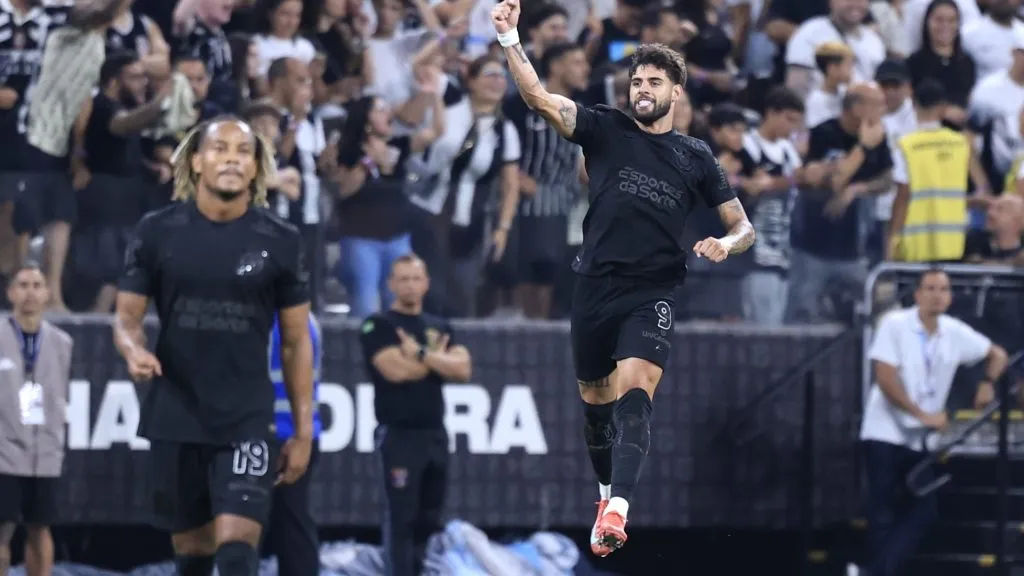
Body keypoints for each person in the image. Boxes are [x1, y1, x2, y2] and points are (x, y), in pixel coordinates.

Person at [492, 0, 755, 556]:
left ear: (676, 91)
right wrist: (511, 38)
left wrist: (725, 244)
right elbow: (539, 99)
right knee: (595, 400)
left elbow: (743, 227)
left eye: (654, 81)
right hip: (593, 285)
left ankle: (619, 508)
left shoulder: (696, 155)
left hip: (652, 290)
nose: (642, 88)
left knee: (636, 388)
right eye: (637, 80)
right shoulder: (606, 128)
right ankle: (606, 491)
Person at [113, 116, 315, 576]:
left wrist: (303, 432)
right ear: (197, 161)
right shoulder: (155, 230)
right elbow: (126, 320)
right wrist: (133, 350)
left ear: (256, 168)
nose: (231, 159)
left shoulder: (282, 241)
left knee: (238, 552)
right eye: (220, 149)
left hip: (246, 417)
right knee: (194, 558)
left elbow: (297, 341)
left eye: (243, 152)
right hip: (176, 414)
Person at [860, 267, 1008, 575]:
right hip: (885, 432)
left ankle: (875, 573)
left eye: (943, 289)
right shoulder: (895, 324)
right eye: (930, 288)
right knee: (883, 512)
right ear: (917, 294)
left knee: (925, 510)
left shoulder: (953, 330)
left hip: (920, 439)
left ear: (950, 297)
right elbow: (885, 378)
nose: (936, 295)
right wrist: (922, 415)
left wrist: (987, 382)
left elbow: (998, 355)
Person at [358, 254, 472, 576]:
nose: (409, 284)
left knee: (429, 519)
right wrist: (438, 360)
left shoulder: (439, 325)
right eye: (403, 278)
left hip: (435, 434)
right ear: (391, 284)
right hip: (398, 435)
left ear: (426, 283)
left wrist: (421, 353)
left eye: (415, 278)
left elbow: (463, 369)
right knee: (401, 518)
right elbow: (395, 370)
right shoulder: (377, 325)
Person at [0, 263, 73, 576]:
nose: (30, 292)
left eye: (36, 285)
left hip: (45, 452)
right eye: (23, 285)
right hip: (3, 451)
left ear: (47, 293)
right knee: (2, 528)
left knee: (40, 527)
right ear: (10, 292)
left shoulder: (61, 343)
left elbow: (59, 399)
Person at [264, 311, 322, 576]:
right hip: (296, 434)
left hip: (280, 435)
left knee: (257, 524)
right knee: (292, 522)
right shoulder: (306, 318)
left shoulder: (279, 319)